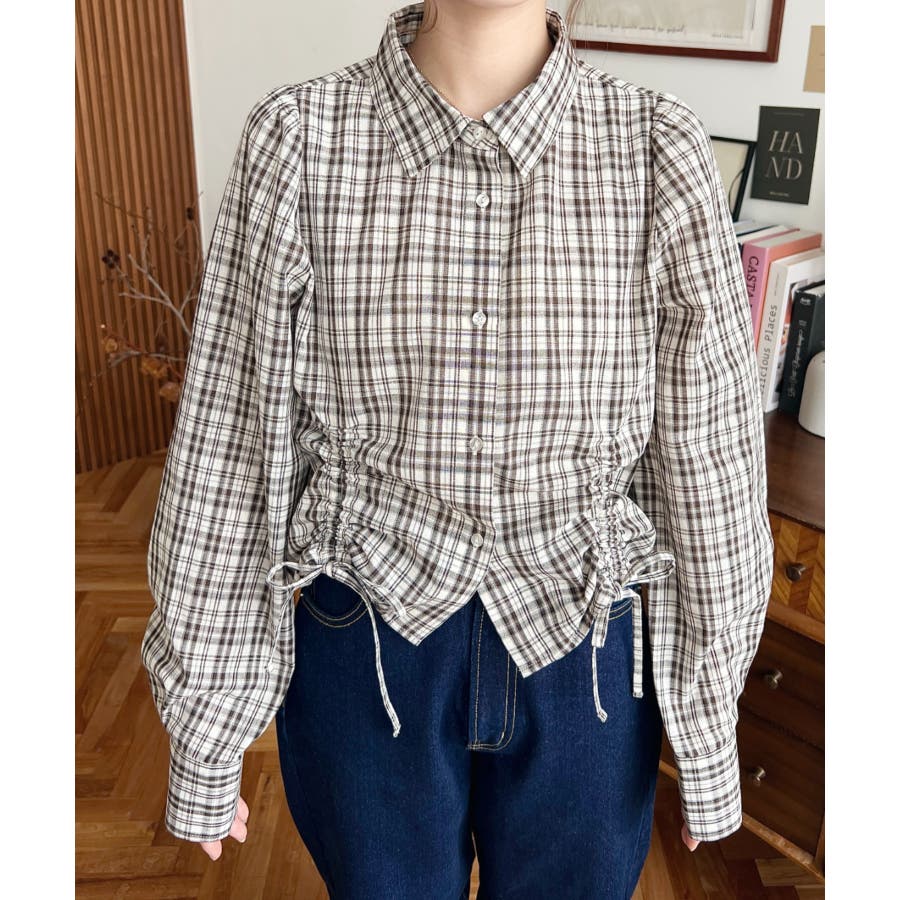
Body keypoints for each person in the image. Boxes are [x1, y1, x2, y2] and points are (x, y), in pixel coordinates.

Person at [141, 1, 775, 897]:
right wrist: (209, 726)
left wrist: (706, 723)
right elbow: (232, 438)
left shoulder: (656, 147)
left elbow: (709, 454)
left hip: (583, 652)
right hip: (366, 637)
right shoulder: (299, 137)